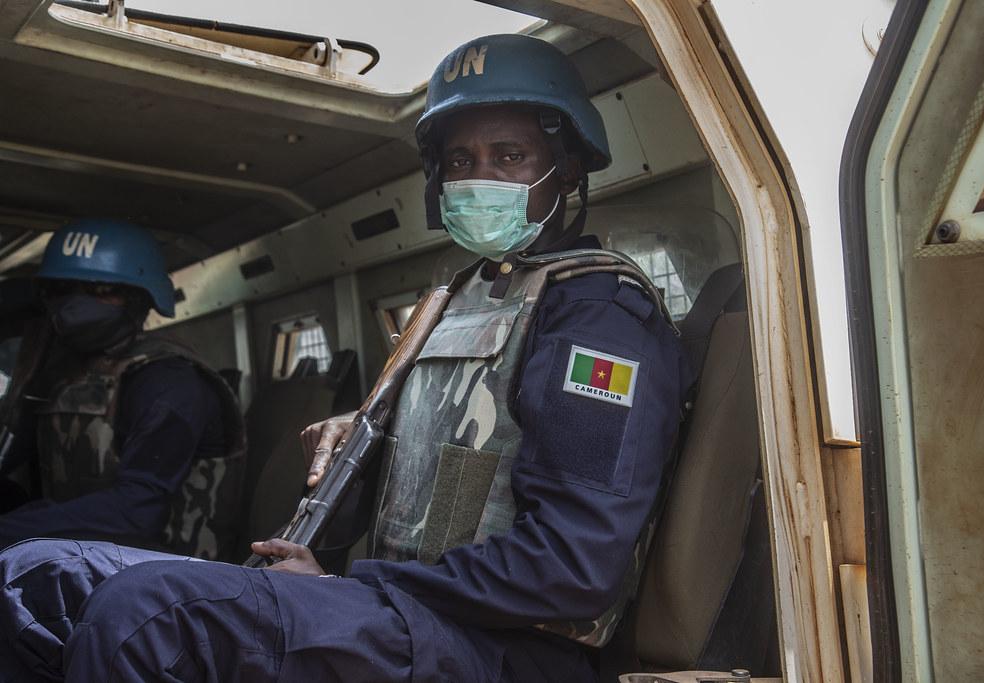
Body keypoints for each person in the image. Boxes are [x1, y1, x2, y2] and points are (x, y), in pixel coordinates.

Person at [0, 35, 690, 682]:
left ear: (567, 167)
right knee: (36, 575)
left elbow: (571, 565)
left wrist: (348, 584)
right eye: (459, 161)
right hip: (412, 609)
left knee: (145, 612)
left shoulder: (598, 313)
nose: (480, 178)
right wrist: (362, 445)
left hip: (510, 647)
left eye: (508, 156)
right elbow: (442, 482)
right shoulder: (460, 298)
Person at [0, 220, 246, 559]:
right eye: (63, 289)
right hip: (82, 558)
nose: (76, 304)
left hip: (168, 581)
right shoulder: (62, 373)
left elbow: (136, 512)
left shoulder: (168, 381)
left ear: (139, 299)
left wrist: (10, 530)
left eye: (101, 290)